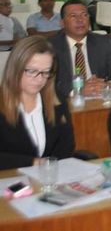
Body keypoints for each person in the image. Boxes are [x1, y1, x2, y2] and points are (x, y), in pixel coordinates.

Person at [0, 36, 75, 169]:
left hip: (50, 177)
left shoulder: (57, 101)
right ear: (15, 68)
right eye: (32, 71)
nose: (39, 79)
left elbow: (66, 149)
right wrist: (33, 162)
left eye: (46, 72)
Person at [49, 0, 111, 99]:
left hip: (99, 98)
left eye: (84, 15)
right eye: (73, 16)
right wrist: (78, 90)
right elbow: (49, 82)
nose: (80, 20)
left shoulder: (103, 42)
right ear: (62, 23)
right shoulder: (51, 46)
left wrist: (109, 86)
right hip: (67, 100)